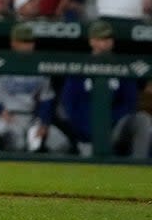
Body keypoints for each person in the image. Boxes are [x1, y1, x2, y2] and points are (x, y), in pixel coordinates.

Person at [59, 20, 151, 159]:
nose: (105, 43)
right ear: (92, 41)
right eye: (101, 39)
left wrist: (109, 124)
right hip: (86, 134)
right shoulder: (78, 68)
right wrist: (90, 130)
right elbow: (70, 104)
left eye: (108, 38)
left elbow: (130, 104)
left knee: (142, 119)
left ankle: (139, 165)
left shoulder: (123, 67)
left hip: (115, 129)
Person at [0, 22, 71, 154]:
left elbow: (47, 99)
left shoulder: (39, 65)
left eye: (30, 42)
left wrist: (44, 122)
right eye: (23, 42)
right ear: (14, 43)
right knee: (17, 144)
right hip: (5, 116)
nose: (28, 46)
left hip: (31, 117)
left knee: (61, 143)